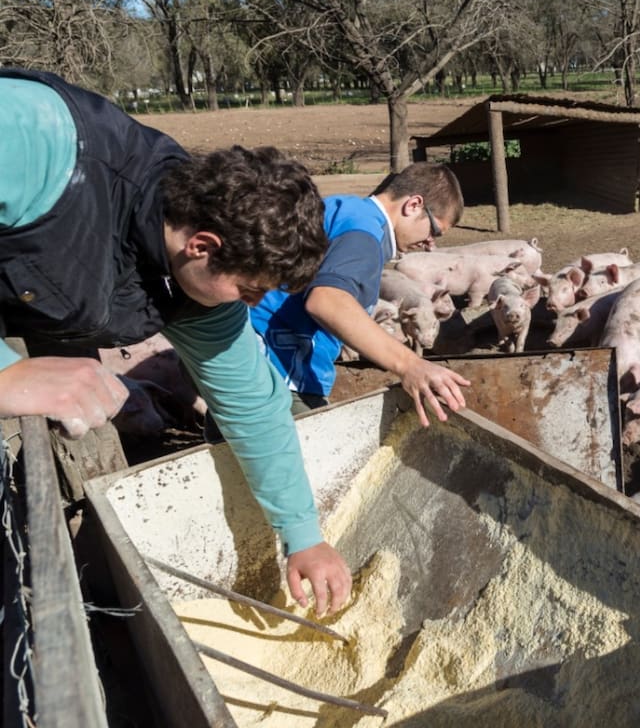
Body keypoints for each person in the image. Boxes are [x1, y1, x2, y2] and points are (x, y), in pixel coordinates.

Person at [0, 67, 350, 616]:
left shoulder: (195, 291)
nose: (251, 305)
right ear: (203, 246)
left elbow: (254, 408)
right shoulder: (33, 139)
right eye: (251, 290)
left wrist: (303, 534)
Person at [245, 163, 471, 424]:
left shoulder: (346, 210)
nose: (431, 244)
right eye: (434, 231)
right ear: (414, 205)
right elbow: (327, 301)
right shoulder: (364, 234)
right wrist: (411, 365)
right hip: (279, 376)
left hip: (252, 364)